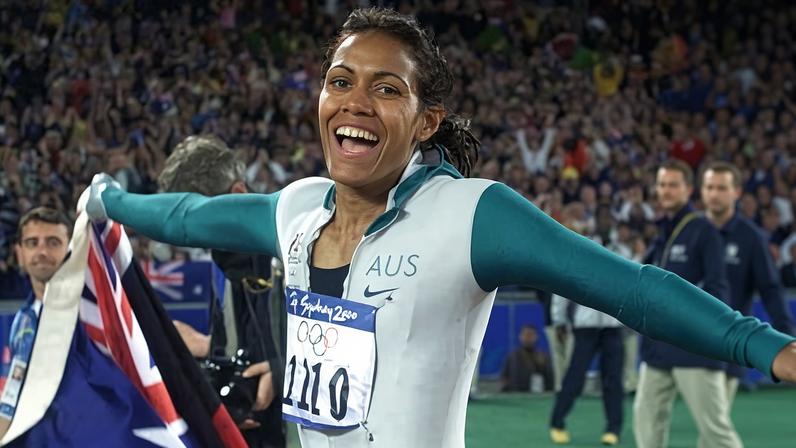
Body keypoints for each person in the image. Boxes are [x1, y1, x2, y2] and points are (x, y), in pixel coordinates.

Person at [84, 8, 796, 448]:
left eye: (386, 88)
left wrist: (767, 348)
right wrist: (109, 202)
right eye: (340, 80)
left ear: (425, 121)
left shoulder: (470, 215)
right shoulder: (297, 208)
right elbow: (184, 214)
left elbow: (629, 288)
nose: (354, 102)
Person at [157, 135, 286, 447]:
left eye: (201, 223)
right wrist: (206, 344)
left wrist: (284, 366)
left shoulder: (289, 244)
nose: (196, 239)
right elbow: (239, 348)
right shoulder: (225, 259)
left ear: (238, 193)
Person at [633, 159, 742, 448]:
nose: (666, 191)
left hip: (693, 350)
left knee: (716, 433)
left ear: (688, 189)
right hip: (657, 348)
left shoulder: (703, 230)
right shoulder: (662, 232)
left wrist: (704, 332)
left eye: (673, 185)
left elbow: (718, 290)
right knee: (646, 423)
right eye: (662, 184)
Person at [700, 161, 794, 403]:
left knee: (715, 423)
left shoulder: (751, 237)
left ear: (737, 192)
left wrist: (786, 337)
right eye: (709, 187)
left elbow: (770, 289)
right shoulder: (688, 229)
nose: (714, 194)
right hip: (681, 341)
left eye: (721, 188)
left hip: (727, 343)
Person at [548, 214, 627, 446]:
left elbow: (632, 286)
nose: (604, 225)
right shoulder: (582, 248)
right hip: (585, 325)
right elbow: (563, 283)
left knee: (613, 380)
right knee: (575, 376)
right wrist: (559, 319)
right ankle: (557, 421)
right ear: (594, 224)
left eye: (608, 220)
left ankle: (614, 429)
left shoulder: (622, 251)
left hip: (612, 326)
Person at [0, 207, 71, 427]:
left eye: (53, 242)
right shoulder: (23, 320)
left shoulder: (93, 314)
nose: (42, 252)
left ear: (71, 250)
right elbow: (12, 395)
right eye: (32, 243)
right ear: (20, 253)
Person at [500, 324, 552, 393]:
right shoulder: (513, 357)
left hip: (538, 395)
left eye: (531, 335)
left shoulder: (543, 356)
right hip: (516, 394)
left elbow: (550, 379)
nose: (528, 338)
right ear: (520, 336)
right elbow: (504, 378)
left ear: (536, 337)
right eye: (525, 335)